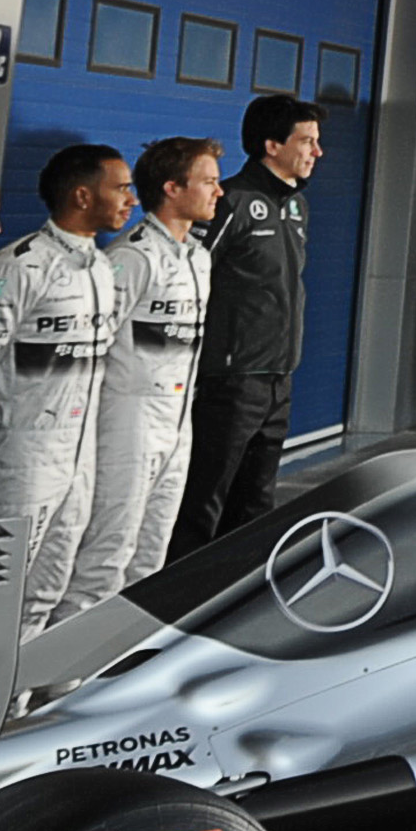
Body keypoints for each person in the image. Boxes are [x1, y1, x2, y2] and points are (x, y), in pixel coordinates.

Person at [0, 145, 133, 626]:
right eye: (121, 188)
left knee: (50, 584)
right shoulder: (18, 266)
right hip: (22, 455)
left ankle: (27, 697)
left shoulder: (104, 268)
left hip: (79, 454)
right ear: (83, 196)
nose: (131, 199)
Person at [177, 94, 323, 552]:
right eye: (307, 141)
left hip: (279, 377)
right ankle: (184, 594)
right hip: (231, 380)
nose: (317, 152)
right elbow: (189, 279)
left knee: (256, 503)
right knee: (206, 500)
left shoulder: (297, 207)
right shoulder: (233, 201)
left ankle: (237, 598)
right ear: (272, 145)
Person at [78, 135, 216, 614]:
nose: (218, 192)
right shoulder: (131, 255)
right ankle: (65, 677)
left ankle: (123, 658)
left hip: (179, 419)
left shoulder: (199, 255)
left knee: (154, 549)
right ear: (173, 188)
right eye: (209, 182)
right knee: (108, 549)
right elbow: (95, 342)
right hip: (128, 417)